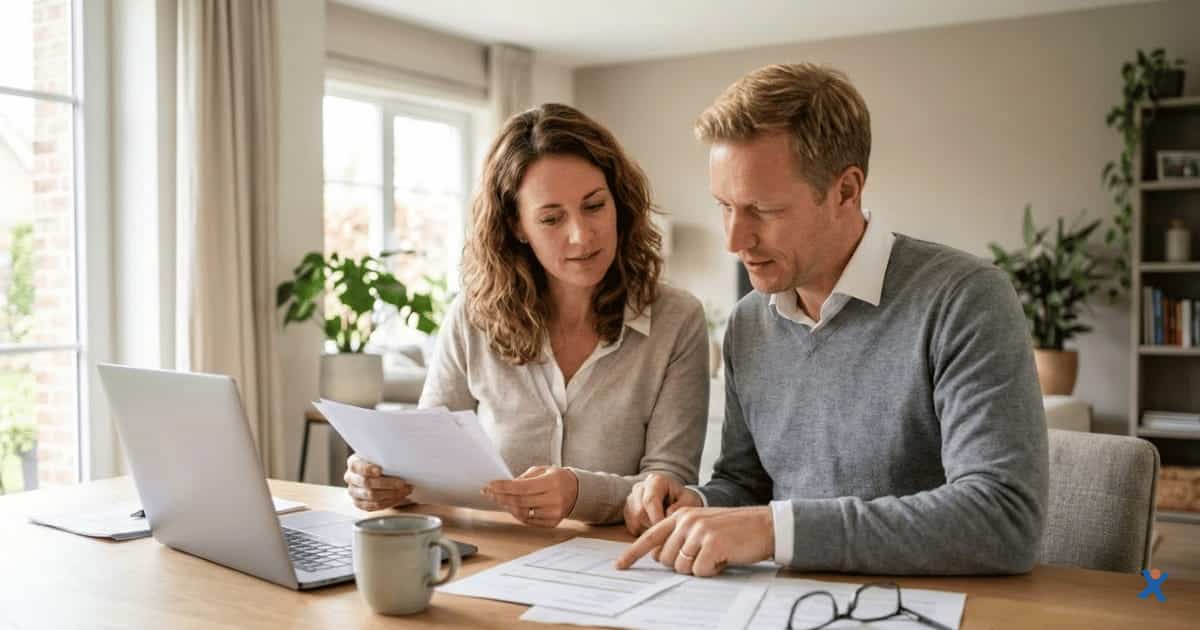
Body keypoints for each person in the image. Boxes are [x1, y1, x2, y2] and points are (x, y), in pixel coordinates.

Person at [617, 63, 1048, 576]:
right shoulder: (749, 324)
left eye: (763, 209)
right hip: (782, 604)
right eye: (724, 206)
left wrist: (775, 531)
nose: (734, 240)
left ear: (846, 190)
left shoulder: (964, 299)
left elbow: (1003, 520)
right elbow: (747, 485)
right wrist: (697, 507)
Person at [344, 103, 710, 528]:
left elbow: (670, 487)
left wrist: (578, 493)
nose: (581, 235)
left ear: (619, 202)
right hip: (487, 560)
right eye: (552, 218)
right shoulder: (472, 316)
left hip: (616, 566)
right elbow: (428, 459)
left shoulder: (677, 320)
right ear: (517, 227)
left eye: (594, 206)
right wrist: (383, 480)